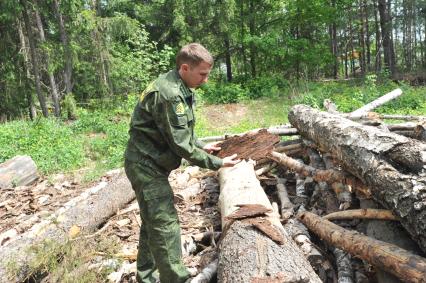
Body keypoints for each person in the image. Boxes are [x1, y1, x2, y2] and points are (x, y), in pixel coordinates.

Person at [124, 43, 240, 283]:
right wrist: (217, 162)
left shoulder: (176, 85)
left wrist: (200, 145)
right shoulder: (170, 94)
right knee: (165, 224)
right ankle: (176, 279)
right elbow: (179, 145)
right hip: (146, 167)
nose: (205, 80)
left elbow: (179, 131)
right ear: (185, 68)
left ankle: (146, 277)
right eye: (203, 74)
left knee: (152, 222)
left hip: (150, 163)